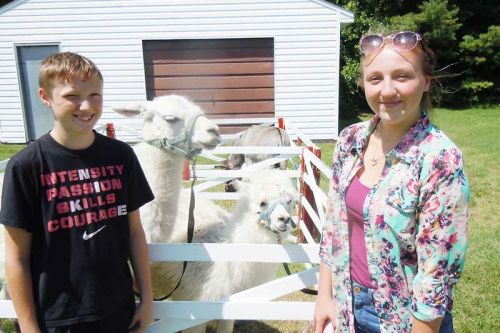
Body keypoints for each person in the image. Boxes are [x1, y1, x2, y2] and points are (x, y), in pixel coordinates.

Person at [312, 30, 470, 333]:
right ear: (363, 84)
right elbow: (334, 225)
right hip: (346, 305)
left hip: (407, 320)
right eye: (375, 79)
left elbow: (436, 274)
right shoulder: (350, 141)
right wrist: (324, 296)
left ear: (426, 81)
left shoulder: (440, 159)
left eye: (401, 76)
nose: (387, 90)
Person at [0, 52, 154, 333]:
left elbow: (134, 232)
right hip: (57, 319)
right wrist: (29, 326)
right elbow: (16, 257)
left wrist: (146, 298)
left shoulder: (121, 156)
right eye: (72, 95)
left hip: (119, 312)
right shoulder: (26, 166)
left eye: (95, 94)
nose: (86, 106)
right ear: (45, 96)